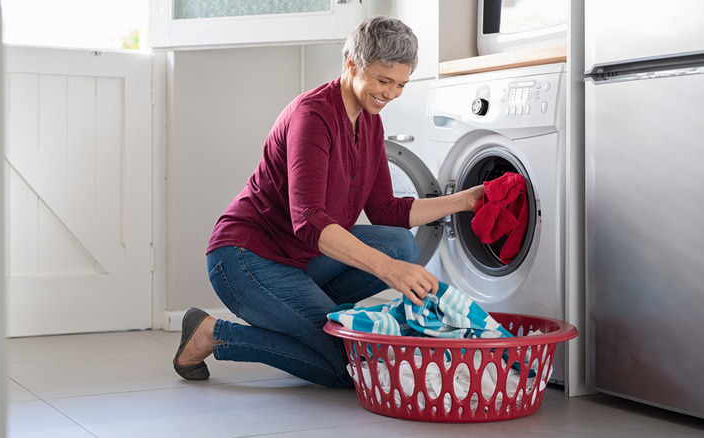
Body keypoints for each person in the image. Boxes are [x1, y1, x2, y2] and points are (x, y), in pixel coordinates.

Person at [173, 16, 485, 389]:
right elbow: (308, 221)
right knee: (350, 367)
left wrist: (466, 200)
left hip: (301, 260)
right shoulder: (312, 116)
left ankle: (302, 317)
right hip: (247, 258)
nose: (391, 94)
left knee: (401, 245)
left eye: (401, 84)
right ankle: (214, 334)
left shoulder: (370, 121)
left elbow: (386, 210)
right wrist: (387, 270)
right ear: (352, 65)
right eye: (383, 81)